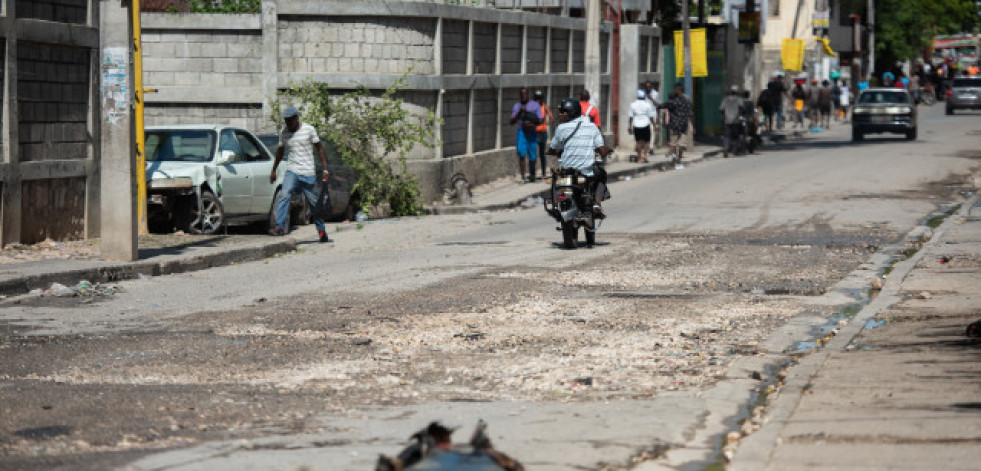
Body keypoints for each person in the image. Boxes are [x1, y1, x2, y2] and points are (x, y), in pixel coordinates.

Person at [269, 106, 331, 242]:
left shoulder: (309, 129)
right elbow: (280, 152)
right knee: (285, 195)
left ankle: (321, 231)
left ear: (296, 118)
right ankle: (279, 227)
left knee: (314, 205)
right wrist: (274, 170)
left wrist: (325, 169)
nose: (288, 124)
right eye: (286, 121)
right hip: (292, 171)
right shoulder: (284, 132)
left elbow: (319, 148)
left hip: (308, 172)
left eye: (290, 120)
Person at [547, 98, 612, 217]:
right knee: (601, 174)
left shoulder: (561, 128)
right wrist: (608, 150)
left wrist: (554, 152)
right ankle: (597, 203)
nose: (560, 114)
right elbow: (602, 151)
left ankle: (555, 205)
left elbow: (552, 149)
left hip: (567, 170)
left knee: (556, 179)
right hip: (586, 171)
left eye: (563, 112)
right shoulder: (592, 127)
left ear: (571, 112)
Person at [509, 87, 542, 182]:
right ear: (520, 95)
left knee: (532, 156)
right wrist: (520, 112)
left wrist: (533, 124)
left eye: (525, 94)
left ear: (528, 94)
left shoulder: (535, 105)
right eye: (522, 94)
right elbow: (511, 122)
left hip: (532, 133)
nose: (524, 96)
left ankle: (532, 174)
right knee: (521, 154)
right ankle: (523, 176)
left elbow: (541, 119)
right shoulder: (517, 106)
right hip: (522, 132)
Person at [662, 83, 693, 168]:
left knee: (677, 144)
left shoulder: (676, 100)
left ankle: (676, 160)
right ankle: (676, 160)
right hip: (679, 125)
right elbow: (690, 113)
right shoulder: (684, 100)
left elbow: (689, 113)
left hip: (679, 125)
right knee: (676, 144)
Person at [628, 89, 657, 163]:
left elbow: (631, 116)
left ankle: (639, 157)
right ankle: (645, 155)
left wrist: (630, 126)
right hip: (646, 124)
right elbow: (651, 116)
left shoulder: (633, 104)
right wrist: (654, 125)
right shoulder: (647, 105)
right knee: (647, 141)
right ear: (644, 96)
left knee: (638, 142)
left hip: (636, 124)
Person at [532, 90, 553, 180]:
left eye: (539, 99)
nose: (538, 100)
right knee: (533, 154)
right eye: (537, 98)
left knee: (542, 154)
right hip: (534, 133)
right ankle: (533, 173)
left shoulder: (544, 107)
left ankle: (543, 173)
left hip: (543, 133)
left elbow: (552, 117)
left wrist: (546, 124)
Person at [719, 85, 743, 157]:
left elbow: (721, 109)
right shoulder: (739, 99)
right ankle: (733, 152)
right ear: (737, 92)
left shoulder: (725, 99)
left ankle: (726, 147)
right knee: (736, 137)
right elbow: (742, 107)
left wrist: (725, 114)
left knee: (727, 135)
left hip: (727, 121)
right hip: (736, 121)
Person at [643, 81, 661, 150]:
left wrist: (651, 99)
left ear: (651, 87)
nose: (648, 88)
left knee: (653, 132)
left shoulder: (656, 94)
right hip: (644, 116)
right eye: (646, 87)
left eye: (649, 86)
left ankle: (650, 147)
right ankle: (645, 146)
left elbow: (658, 105)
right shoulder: (642, 94)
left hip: (653, 115)